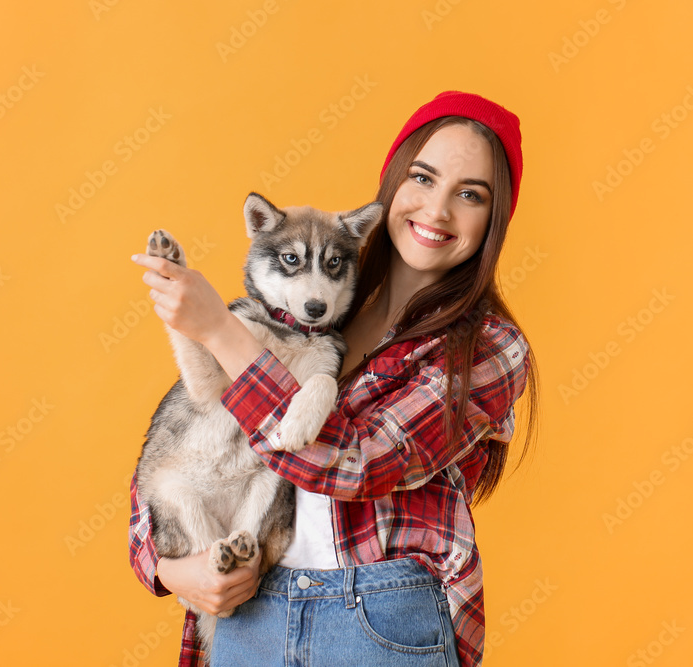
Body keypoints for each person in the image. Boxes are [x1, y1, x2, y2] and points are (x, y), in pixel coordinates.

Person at [128, 90, 540, 666]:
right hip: (252, 611)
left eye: (470, 194)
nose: (438, 210)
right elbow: (188, 441)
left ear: (494, 220)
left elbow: (357, 463)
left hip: (378, 622)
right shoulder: (319, 308)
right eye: (423, 178)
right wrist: (172, 568)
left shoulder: (489, 348)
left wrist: (222, 332)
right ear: (392, 183)